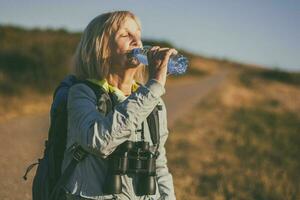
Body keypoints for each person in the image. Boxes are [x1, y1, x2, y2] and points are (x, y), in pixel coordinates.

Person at [61, 11, 177, 200]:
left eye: (138, 35)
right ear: (102, 48)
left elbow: (159, 164)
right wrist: (153, 87)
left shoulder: (153, 101)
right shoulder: (82, 93)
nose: (137, 42)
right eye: (125, 35)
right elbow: (99, 141)